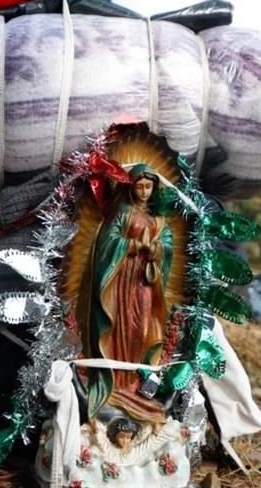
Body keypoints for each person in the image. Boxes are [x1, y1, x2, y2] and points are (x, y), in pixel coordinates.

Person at [87, 164, 172, 424]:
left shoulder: (158, 220)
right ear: (131, 186)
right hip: (120, 282)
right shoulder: (123, 212)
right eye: (139, 186)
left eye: (149, 187)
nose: (144, 192)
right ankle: (114, 386)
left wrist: (157, 250)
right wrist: (133, 245)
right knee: (119, 329)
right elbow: (108, 243)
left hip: (145, 283)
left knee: (141, 330)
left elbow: (167, 246)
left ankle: (133, 384)